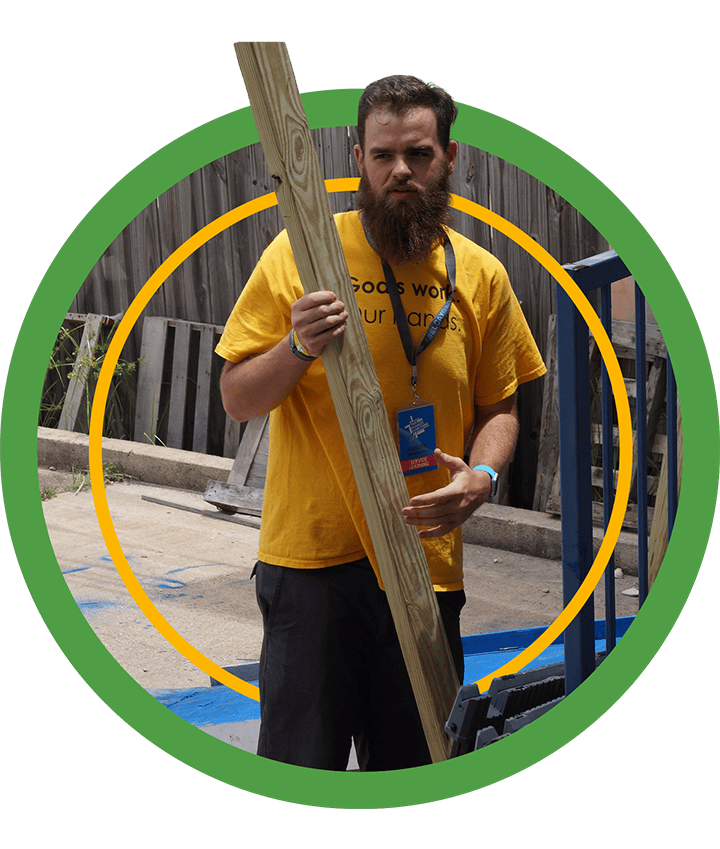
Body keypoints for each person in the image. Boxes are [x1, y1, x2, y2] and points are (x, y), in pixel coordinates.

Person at [216, 75, 546, 771]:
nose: (401, 171)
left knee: (419, 768)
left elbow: (502, 410)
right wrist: (297, 346)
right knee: (301, 772)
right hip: (312, 569)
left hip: (427, 567)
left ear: (451, 159)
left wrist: (483, 475)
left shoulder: (482, 276)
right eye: (383, 155)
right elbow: (238, 397)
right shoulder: (300, 255)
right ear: (356, 156)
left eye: (419, 154)